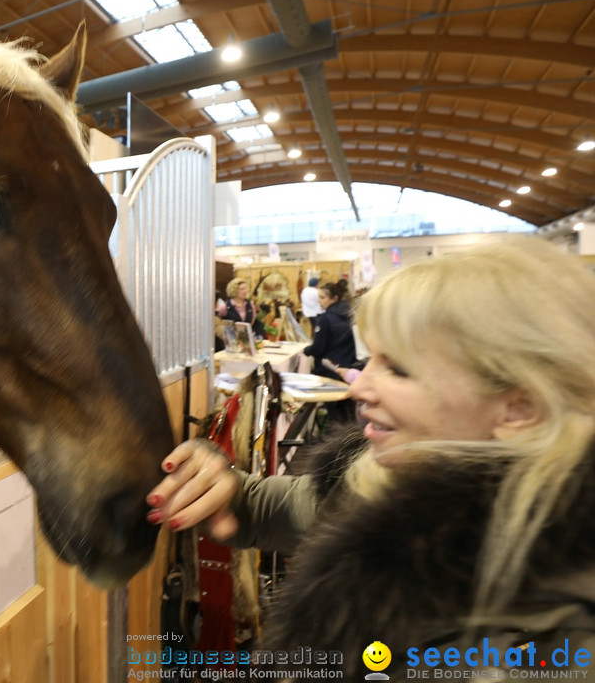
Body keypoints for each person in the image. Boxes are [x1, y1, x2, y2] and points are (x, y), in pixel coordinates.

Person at [145, 237, 595, 676]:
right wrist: (225, 486)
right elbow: (269, 506)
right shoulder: (383, 486)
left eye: (399, 368)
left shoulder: (559, 632)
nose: (359, 386)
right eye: (371, 359)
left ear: (520, 407)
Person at [302, 278, 355, 380]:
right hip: (347, 367)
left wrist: (306, 351)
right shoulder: (348, 315)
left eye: (322, 297)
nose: (318, 301)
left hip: (328, 368)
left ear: (334, 298)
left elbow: (318, 347)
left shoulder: (325, 319)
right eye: (318, 297)